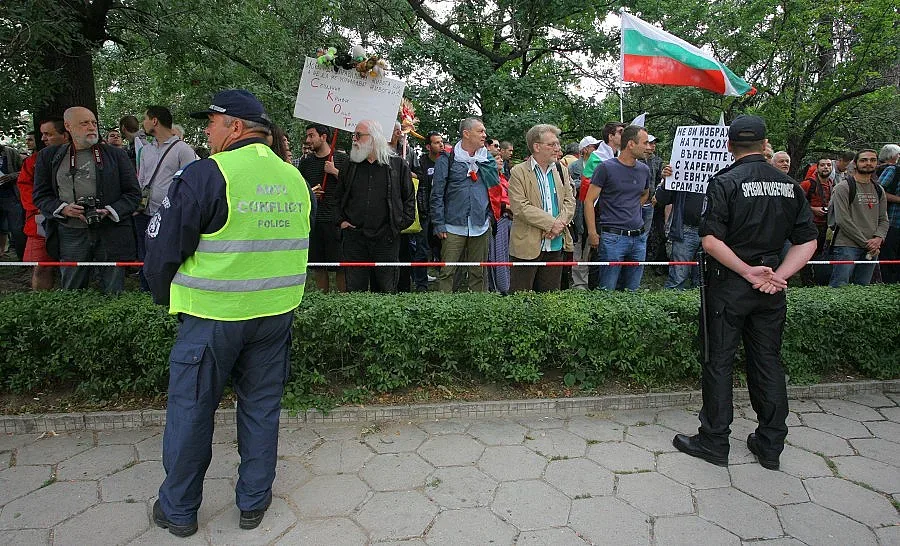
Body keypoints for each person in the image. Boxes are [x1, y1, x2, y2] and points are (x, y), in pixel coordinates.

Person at [143, 89, 311, 537]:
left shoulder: (206, 174)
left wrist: (167, 297)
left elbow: (161, 252)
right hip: (275, 316)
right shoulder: (294, 178)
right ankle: (253, 502)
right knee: (261, 408)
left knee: (192, 410)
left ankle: (178, 510)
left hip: (212, 317)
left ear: (235, 127)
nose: (206, 130)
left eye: (212, 123)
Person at [672, 115, 817, 471]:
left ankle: (714, 440)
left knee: (718, 361)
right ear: (766, 145)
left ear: (728, 146)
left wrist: (746, 271)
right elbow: (808, 240)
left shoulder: (724, 182)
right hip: (770, 287)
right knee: (767, 361)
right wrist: (778, 276)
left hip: (730, 284)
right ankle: (770, 445)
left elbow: (709, 240)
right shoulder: (790, 186)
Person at [32, 107, 140, 293]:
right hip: (70, 232)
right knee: (73, 289)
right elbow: (40, 196)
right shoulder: (49, 156)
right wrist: (63, 208)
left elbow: (133, 194)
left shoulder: (116, 155)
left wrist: (110, 210)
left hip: (110, 231)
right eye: (84, 123)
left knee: (114, 290)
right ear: (68, 126)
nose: (91, 127)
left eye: (94, 123)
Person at [337, 119, 415, 293]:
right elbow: (338, 197)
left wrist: (397, 226)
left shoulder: (398, 165)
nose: (354, 140)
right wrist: (341, 221)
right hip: (355, 238)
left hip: (386, 239)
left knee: (386, 291)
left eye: (358, 135)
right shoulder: (349, 165)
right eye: (354, 135)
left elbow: (409, 200)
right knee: (355, 292)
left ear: (373, 138)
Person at [430, 117, 497, 292]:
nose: (485, 135)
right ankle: (443, 312)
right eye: (480, 131)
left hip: (480, 224)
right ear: (466, 134)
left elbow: (495, 191)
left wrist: (489, 217)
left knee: (478, 273)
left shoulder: (487, 159)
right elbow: (436, 193)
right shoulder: (447, 158)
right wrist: (438, 223)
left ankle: (477, 311)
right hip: (452, 225)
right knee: (447, 272)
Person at [135, 105, 198, 290]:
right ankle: (145, 293)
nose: (143, 123)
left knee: (166, 255)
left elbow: (190, 184)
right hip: (145, 213)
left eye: (145, 118)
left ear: (154, 120)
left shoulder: (183, 150)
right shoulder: (146, 150)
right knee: (145, 255)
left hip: (169, 216)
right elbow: (141, 180)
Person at [507, 124, 575, 292]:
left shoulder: (561, 170)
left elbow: (570, 201)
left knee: (549, 302)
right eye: (551, 144)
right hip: (526, 247)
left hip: (556, 245)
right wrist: (553, 224)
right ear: (536, 147)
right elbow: (520, 207)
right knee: (521, 299)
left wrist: (559, 225)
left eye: (557, 144)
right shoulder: (518, 172)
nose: (557, 148)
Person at [583, 125, 651, 291]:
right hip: (612, 238)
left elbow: (645, 194)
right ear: (631, 144)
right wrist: (592, 232)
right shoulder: (606, 168)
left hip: (639, 238)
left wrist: (631, 209)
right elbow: (589, 201)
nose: (648, 147)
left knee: (632, 290)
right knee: (607, 290)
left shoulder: (644, 170)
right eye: (645, 143)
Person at [17, 118, 69, 289]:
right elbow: (25, 188)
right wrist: (44, 206)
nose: (43, 139)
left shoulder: (82, 157)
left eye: (48, 134)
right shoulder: (32, 161)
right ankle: (41, 303)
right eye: (42, 134)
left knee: (72, 267)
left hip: (72, 219)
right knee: (40, 267)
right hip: (40, 220)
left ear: (65, 136)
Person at [298, 124, 348, 292]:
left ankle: (344, 301)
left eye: (311, 136)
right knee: (319, 266)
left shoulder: (341, 160)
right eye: (307, 136)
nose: (308, 140)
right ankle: (322, 300)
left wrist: (334, 172)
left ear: (324, 137)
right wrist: (311, 194)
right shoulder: (305, 163)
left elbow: (352, 186)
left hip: (336, 220)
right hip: (314, 220)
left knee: (341, 266)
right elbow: (300, 188)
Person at [828, 149, 889, 287]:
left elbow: (884, 218)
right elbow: (842, 220)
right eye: (864, 160)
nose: (868, 163)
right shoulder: (843, 187)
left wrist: (878, 238)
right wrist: (866, 243)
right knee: (839, 287)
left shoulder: (879, 189)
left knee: (863, 289)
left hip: (872, 247)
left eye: (872, 160)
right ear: (855, 164)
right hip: (846, 246)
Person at [800, 158, 835, 284]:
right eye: (823, 165)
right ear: (817, 167)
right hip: (810, 224)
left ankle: (817, 279)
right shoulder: (808, 184)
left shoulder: (831, 183)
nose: (826, 167)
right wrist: (813, 209)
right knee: (808, 253)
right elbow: (796, 202)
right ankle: (806, 281)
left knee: (820, 253)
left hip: (825, 225)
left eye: (829, 165)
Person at [877, 144, 900, 283]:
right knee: (889, 260)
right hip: (892, 222)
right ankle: (886, 287)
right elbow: (879, 191)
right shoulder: (893, 170)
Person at [0, 140, 25, 259]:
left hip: (11, 197)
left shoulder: (11, 153)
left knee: (17, 229)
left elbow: (24, 172)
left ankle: (23, 259)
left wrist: (11, 176)